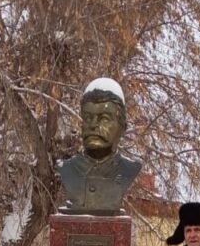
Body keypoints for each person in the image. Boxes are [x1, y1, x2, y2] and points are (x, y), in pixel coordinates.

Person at [57, 78, 141, 213]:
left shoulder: (128, 170)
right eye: (88, 118)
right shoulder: (67, 169)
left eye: (104, 119)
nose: (93, 125)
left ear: (122, 127)